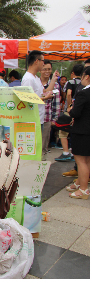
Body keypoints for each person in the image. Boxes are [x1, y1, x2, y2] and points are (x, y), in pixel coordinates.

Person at [21, 50, 59, 148]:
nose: (43, 63)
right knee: (33, 148)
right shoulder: (28, 79)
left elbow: (44, 92)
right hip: (32, 120)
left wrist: (53, 80)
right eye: (43, 61)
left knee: (38, 148)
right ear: (36, 61)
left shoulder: (35, 78)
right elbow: (27, 100)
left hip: (39, 118)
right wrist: (45, 98)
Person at [66, 66, 90, 199]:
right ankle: (80, 183)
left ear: (86, 77)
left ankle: (83, 189)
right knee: (88, 160)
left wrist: (70, 110)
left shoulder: (84, 93)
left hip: (82, 131)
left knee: (81, 161)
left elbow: (76, 112)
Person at [39, 60, 60, 160]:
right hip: (35, 118)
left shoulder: (55, 85)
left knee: (43, 145)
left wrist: (54, 119)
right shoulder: (36, 82)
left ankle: (42, 164)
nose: (47, 71)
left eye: (49, 69)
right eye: (44, 69)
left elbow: (56, 103)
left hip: (46, 118)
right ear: (40, 70)